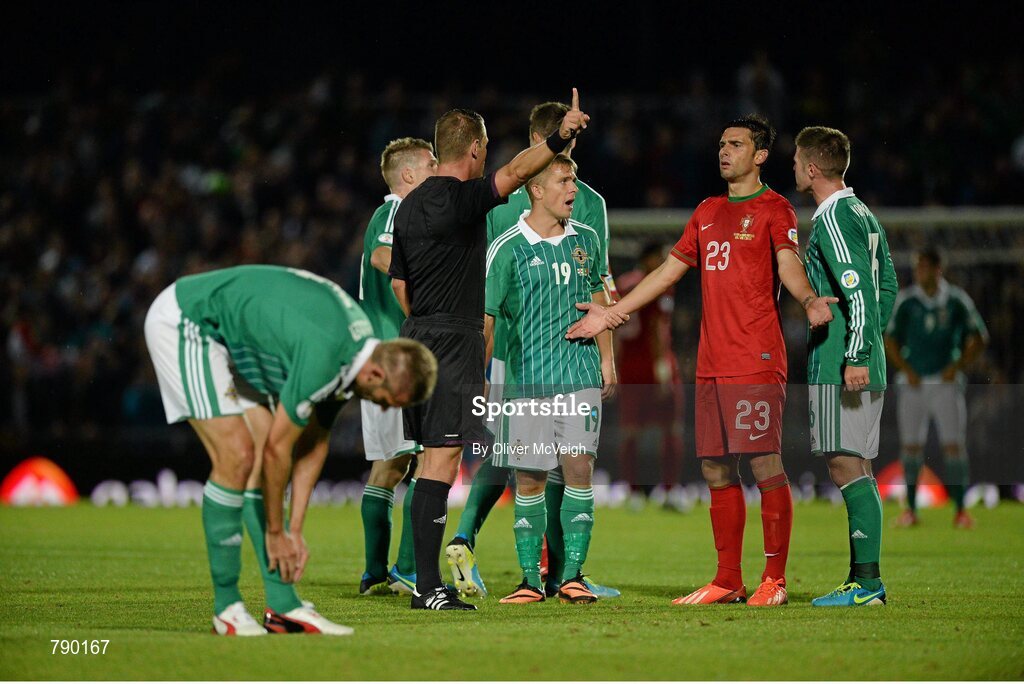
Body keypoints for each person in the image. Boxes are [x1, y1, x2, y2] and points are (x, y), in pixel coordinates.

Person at [568, 115, 836, 607]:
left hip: (755, 358)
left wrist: (809, 300)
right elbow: (667, 273)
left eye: (736, 144)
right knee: (715, 468)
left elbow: (788, 264)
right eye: (721, 144)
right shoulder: (707, 211)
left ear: (759, 155)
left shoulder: (775, 208)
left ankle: (774, 580)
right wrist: (611, 313)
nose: (724, 151)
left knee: (764, 463)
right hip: (711, 363)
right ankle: (728, 579)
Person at [388, 89, 600, 610]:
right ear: (476, 149)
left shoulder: (409, 207)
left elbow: (400, 284)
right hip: (454, 341)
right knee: (442, 461)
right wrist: (559, 137)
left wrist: (428, 316)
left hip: (417, 336)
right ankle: (428, 587)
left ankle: (423, 581)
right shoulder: (462, 199)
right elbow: (515, 170)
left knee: (429, 461)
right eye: (485, 150)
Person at [143, 265, 437, 634]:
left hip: (240, 342)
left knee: (256, 462)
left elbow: (314, 443)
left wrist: (294, 529)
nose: (380, 408)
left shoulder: (356, 353)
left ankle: (282, 606)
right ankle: (227, 607)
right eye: (386, 400)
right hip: (190, 321)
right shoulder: (326, 355)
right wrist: (275, 532)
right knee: (239, 456)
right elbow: (278, 452)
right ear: (376, 375)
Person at [445, 101, 619, 600]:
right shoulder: (524, 201)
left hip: (543, 350)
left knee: (531, 456)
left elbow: (598, 284)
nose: (567, 179)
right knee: (535, 462)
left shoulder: (513, 195)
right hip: (520, 346)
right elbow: (490, 295)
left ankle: (496, 548)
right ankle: (549, 568)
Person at [481, 154, 612, 605]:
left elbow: (600, 299)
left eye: (574, 179)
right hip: (528, 382)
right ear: (536, 189)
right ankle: (529, 581)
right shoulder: (507, 247)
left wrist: (607, 362)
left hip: (579, 375)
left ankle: (572, 576)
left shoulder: (588, 240)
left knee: (579, 469)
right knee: (530, 479)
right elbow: (488, 320)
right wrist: (486, 380)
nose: (573, 189)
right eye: (563, 181)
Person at [793, 125, 899, 607]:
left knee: (844, 464)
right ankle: (865, 580)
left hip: (842, 362)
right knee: (858, 465)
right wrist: (873, 341)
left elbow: (856, 290)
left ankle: (866, 582)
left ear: (812, 167)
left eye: (796, 161)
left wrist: (855, 352)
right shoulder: (864, 212)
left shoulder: (833, 216)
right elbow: (889, 287)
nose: (793, 168)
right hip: (864, 354)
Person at [357, 138, 438, 595]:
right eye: (430, 164)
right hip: (394, 354)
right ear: (408, 175)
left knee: (392, 463)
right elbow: (382, 257)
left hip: (381, 351)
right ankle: (408, 568)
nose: (436, 169)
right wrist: (425, 297)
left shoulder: (391, 213)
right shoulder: (394, 210)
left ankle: (375, 573)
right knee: (427, 459)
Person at [884, 247, 988, 528]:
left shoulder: (955, 300)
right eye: (917, 267)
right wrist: (906, 369)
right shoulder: (907, 301)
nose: (919, 272)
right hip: (913, 385)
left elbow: (979, 337)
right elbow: (889, 339)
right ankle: (912, 510)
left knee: (953, 447)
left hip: (945, 384)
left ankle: (960, 511)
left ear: (937, 269)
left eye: (923, 267)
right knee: (911, 448)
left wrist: (957, 366)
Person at [614, 242, 685, 511]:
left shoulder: (624, 283)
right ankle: (669, 491)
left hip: (629, 367)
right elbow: (657, 329)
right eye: (662, 257)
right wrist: (662, 367)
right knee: (670, 429)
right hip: (655, 367)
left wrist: (613, 365)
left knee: (630, 431)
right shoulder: (657, 284)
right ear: (649, 258)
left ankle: (633, 492)